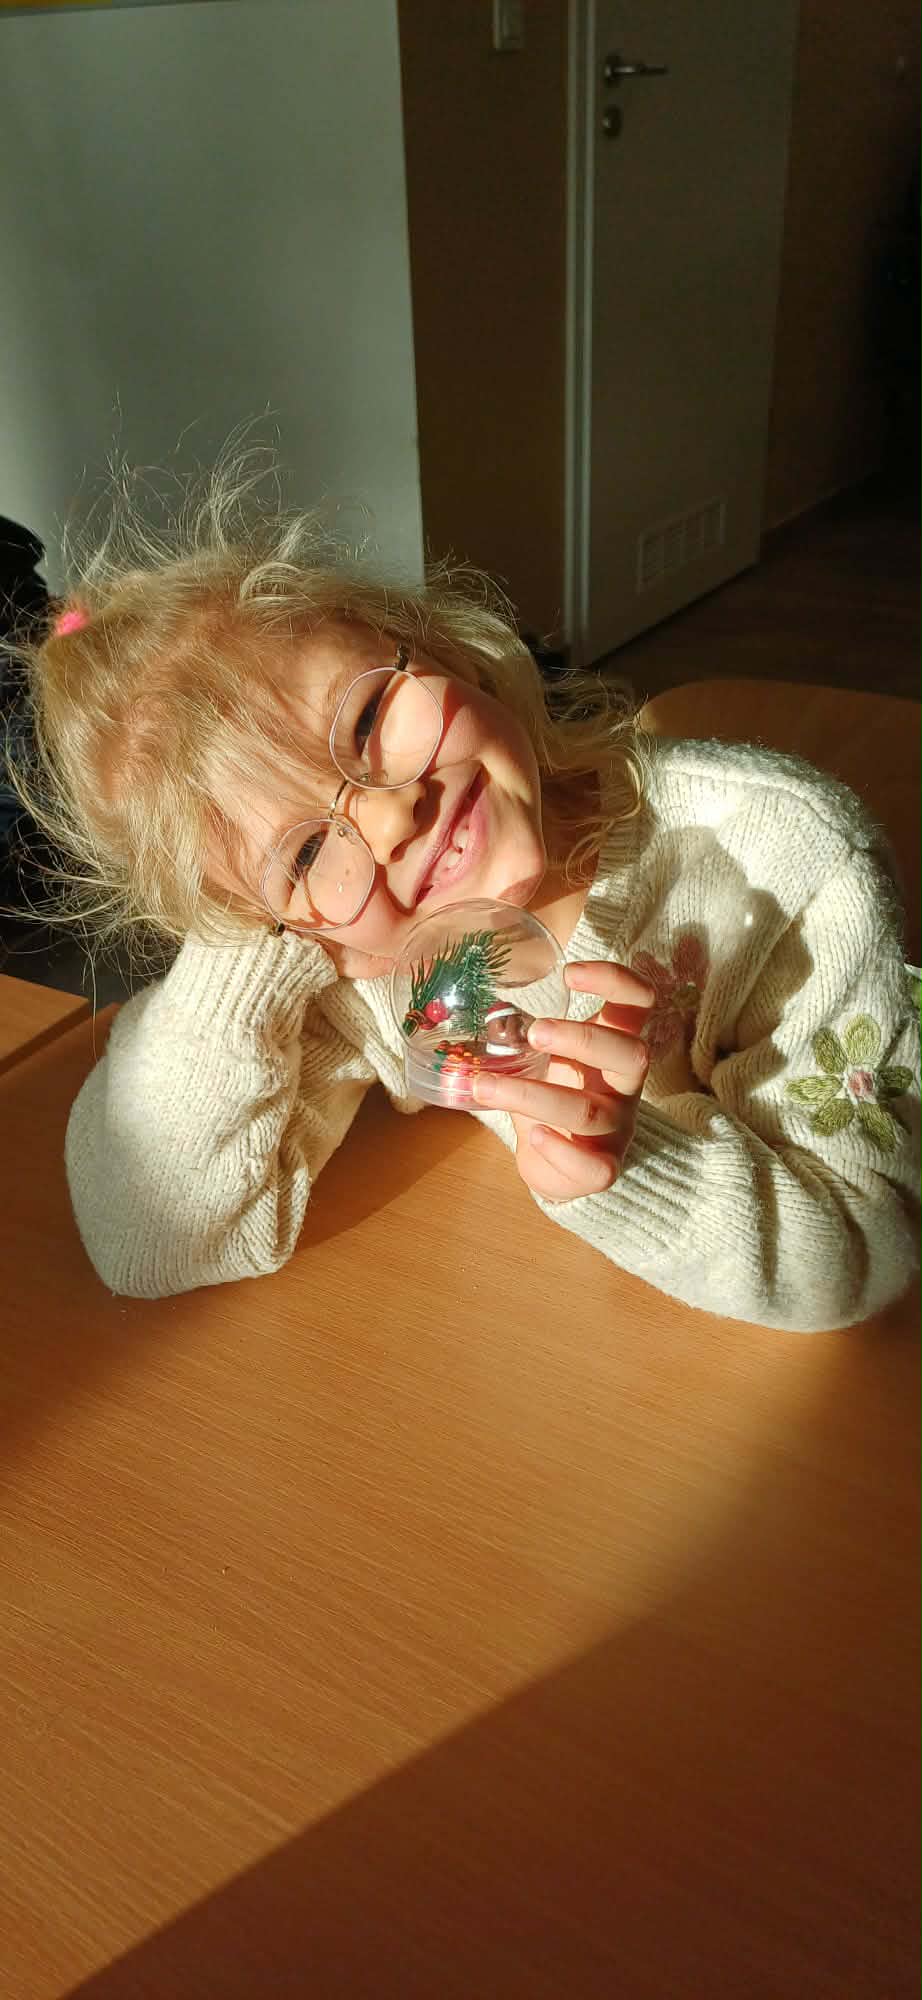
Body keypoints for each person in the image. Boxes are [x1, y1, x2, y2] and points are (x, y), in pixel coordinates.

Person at [8, 455, 919, 1328]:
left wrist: (638, 1168)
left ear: (452, 654)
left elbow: (866, 1243)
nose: (389, 819)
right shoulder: (376, 971)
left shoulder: (792, 864)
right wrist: (263, 926)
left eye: (367, 719)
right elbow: (144, 1233)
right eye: (310, 849)